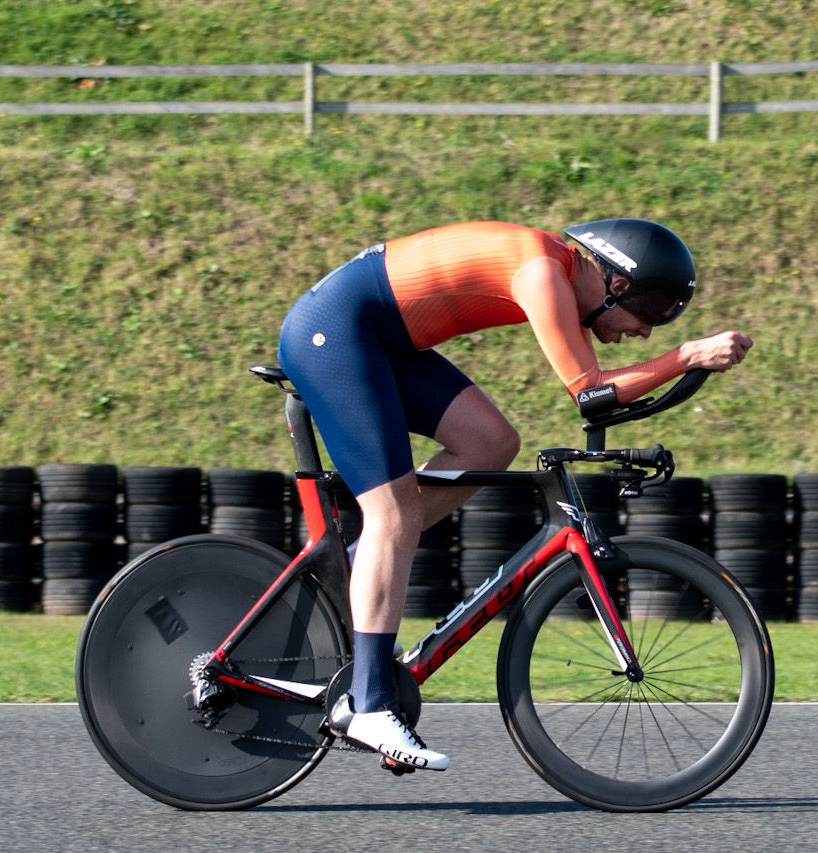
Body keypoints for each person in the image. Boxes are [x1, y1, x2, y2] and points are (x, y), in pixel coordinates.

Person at [275, 218, 754, 772]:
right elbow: (592, 393)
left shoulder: (558, 268)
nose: (648, 332)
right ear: (616, 284)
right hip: (336, 334)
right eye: (650, 312)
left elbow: (598, 390)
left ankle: (361, 569)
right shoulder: (543, 273)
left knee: (491, 442)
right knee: (395, 514)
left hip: (378, 339)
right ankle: (371, 704)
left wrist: (679, 362)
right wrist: (686, 356)